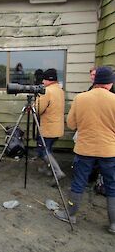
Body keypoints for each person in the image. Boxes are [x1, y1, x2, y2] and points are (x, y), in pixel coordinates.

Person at [53, 66, 115, 234]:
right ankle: (113, 224)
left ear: (95, 81)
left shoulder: (81, 98)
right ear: (110, 83)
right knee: (112, 185)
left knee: (79, 182)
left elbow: (71, 124)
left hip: (84, 149)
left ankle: (71, 215)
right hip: (109, 151)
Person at [35, 68, 66, 185]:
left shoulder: (47, 91)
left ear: (48, 80)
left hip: (48, 128)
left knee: (43, 150)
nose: (42, 81)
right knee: (48, 148)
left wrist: (35, 101)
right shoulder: (60, 90)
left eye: (44, 79)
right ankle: (46, 168)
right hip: (57, 127)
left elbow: (38, 109)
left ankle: (58, 171)